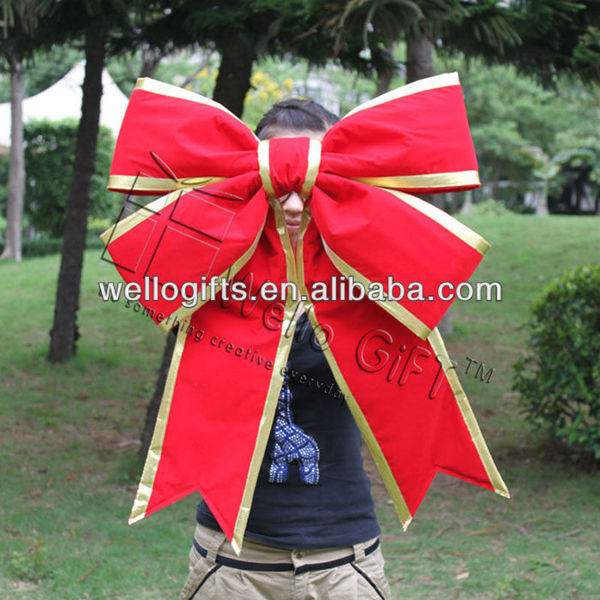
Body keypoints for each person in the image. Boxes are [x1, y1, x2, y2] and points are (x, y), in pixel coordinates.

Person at [178, 99, 392, 600]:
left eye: (311, 178)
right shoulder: (207, 275)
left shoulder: (370, 280)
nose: (294, 203)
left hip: (343, 559)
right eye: (281, 179)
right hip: (232, 559)